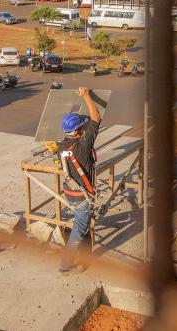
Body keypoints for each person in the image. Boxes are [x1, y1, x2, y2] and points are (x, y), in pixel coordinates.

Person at [58, 86, 102, 273]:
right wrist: (87, 97)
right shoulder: (83, 145)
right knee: (79, 229)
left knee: (83, 227)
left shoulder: (62, 146)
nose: (84, 128)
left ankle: (86, 259)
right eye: (81, 127)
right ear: (77, 132)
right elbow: (96, 118)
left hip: (70, 193)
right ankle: (65, 264)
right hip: (82, 196)